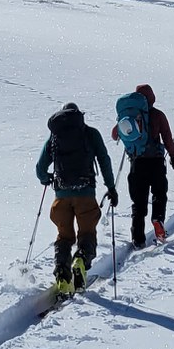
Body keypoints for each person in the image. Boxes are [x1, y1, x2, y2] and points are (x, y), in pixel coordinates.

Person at [35, 102, 118, 296]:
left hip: (61, 197)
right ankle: (80, 260)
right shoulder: (90, 133)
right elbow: (104, 160)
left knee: (64, 237)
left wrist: (46, 179)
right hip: (85, 194)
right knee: (87, 233)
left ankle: (63, 278)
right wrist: (111, 187)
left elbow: (40, 167)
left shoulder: (55, 137)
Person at [112, 83, 174, 248]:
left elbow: (115, 135)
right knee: (159, 193)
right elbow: (167, 137)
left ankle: (138, 238)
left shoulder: (129, 116)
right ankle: (158, 219)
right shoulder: (158, 115)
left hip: (137, 163)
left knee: (138, 201)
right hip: (156, 162)